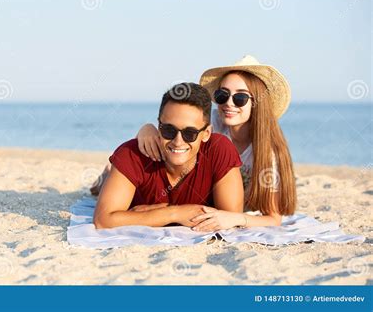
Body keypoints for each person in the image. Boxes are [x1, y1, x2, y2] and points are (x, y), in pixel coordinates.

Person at [92, 55, 297, 230]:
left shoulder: (266, 152)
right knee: (116, 174)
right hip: (190, 198)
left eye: (240, 98)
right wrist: (147, 129)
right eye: (222, 95)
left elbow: (273, 218)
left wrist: (236, 218)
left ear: (257, 102)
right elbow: (176, 123)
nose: (228, 104)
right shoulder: (215, 122)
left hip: (229, 209)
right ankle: (108, 174)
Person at [93, 83, 245, 230]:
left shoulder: (219, 150)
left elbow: (231, 216)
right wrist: (174, 214)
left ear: (206, 134)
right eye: (168, 130)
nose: (178, 141)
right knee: (101, 187)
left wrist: (151, 215)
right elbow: (102, 220)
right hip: (124, 175)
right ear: (158, 126)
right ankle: (105, 178)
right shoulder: (132, 153)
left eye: (189, 133)